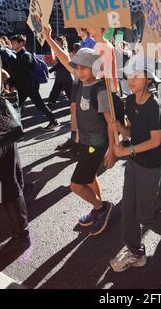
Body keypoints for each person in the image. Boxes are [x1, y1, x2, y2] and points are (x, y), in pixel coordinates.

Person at [110, 55, 161, 272]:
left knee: (145, 214)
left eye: (136, 76)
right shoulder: (130, 100)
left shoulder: (155, 106)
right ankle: (135, 252)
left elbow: (154, 141)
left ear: (148, 79)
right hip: (134, 164)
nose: (131, 80)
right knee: (128, 210)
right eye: (129, 76)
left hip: (150, 168)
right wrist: (120, 129)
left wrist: (127, 150)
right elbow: (134, 132)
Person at [43, 25, 115, 235]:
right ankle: (98, 207)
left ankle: (103, 207)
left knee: (76, 185)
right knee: (90, 177)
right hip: (85, 142)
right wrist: (48, 37)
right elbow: (64, 58)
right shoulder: (83, 80)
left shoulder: (100, 89)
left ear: (94, 68)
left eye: (85, 67)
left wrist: (112, 149)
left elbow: (111, 122)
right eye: (78, 67)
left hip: (96, 145)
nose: (80, 70)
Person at [0, 52, 31, 260]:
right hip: (2, 128)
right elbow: (2, 74)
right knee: (9, 180)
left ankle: (21, 236)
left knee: (9, 183)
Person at [10, 34, 58, 130]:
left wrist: (11, 81)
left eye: (14, 42)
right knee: (34, 105)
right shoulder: (18, 55)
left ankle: (13, 127)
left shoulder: (26, 56)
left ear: (21, 43)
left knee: (17, 106)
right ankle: (53, 121)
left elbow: (20, 72)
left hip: (29, 86)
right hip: (25, 86)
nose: (12, 44)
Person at [48, 36, 73, 108]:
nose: (55, 43)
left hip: (64, 74)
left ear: (59, 43)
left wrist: (50, 70)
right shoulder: (61, 50)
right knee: (56, 89)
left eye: (56, 42)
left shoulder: (62, 50)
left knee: (69, 90)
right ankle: (51, 102)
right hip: (61, 74)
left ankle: (74, 103)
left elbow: (61, 63)